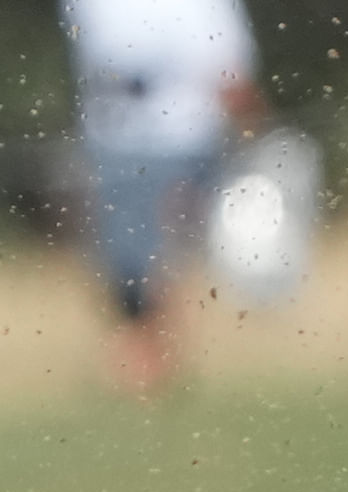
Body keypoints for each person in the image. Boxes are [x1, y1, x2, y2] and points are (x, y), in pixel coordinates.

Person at [62, 0, 262, 395]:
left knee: (164, 261)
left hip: (183, 137)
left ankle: (155, 365)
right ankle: (141, 359)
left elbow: (228, 70)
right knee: (121, 264)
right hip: (111, 138)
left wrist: (253, 134)